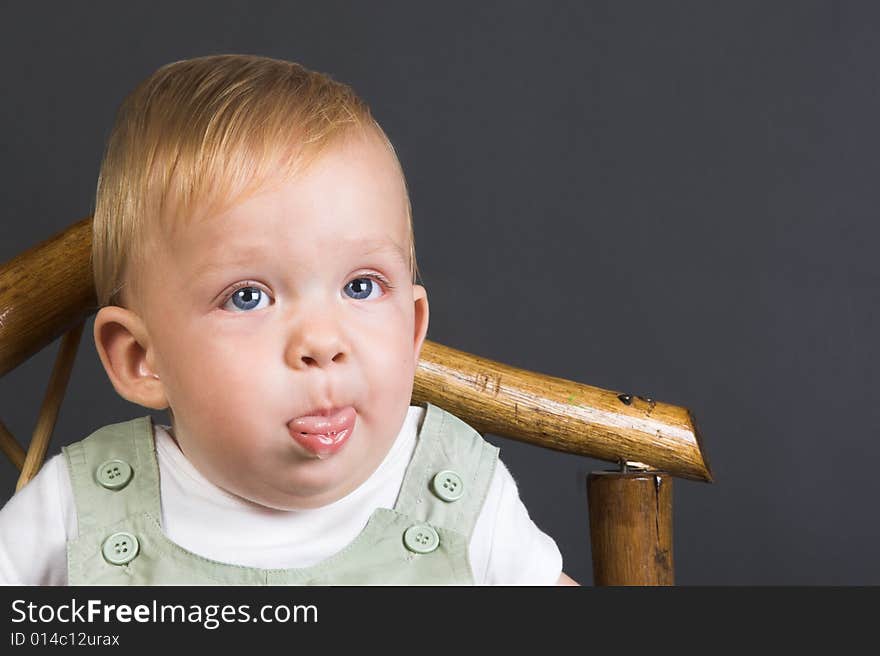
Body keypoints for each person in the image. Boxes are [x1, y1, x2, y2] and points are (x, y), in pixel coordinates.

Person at [0, 54, 576, 585]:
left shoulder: (457, 499)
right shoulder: (77, 511)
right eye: (248, 297)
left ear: (413, 327)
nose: (322, 342)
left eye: (361, 286)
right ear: (140, 358)